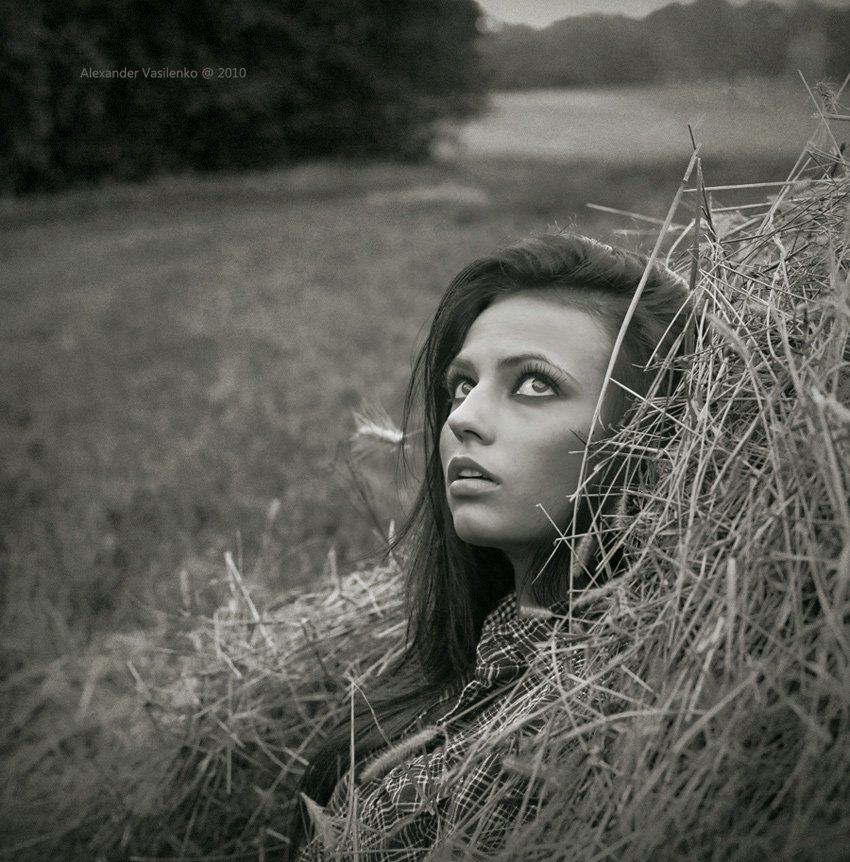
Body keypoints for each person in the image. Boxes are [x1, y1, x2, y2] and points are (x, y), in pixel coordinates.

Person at [287, 232, 693, 860]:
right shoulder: (482, 654)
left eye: (534, 385)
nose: (462, 418)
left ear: (651, 431)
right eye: (461, 386)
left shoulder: (577, 733)